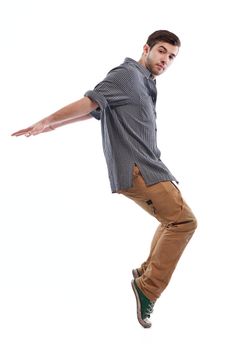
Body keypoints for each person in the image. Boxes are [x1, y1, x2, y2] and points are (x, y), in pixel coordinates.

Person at [12, 30, 197, 328]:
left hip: (151, 167)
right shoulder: (127, 75)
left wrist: (57, 126)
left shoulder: (146, 84)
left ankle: (145, 273)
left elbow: (99, 110)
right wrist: (48, 121)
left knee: (172, 221)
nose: (165, 60)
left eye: (172, 57)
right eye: (161, 51)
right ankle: (148, 287)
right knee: (184, 222)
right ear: (146, 48)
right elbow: (90, 101)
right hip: (140, 170)